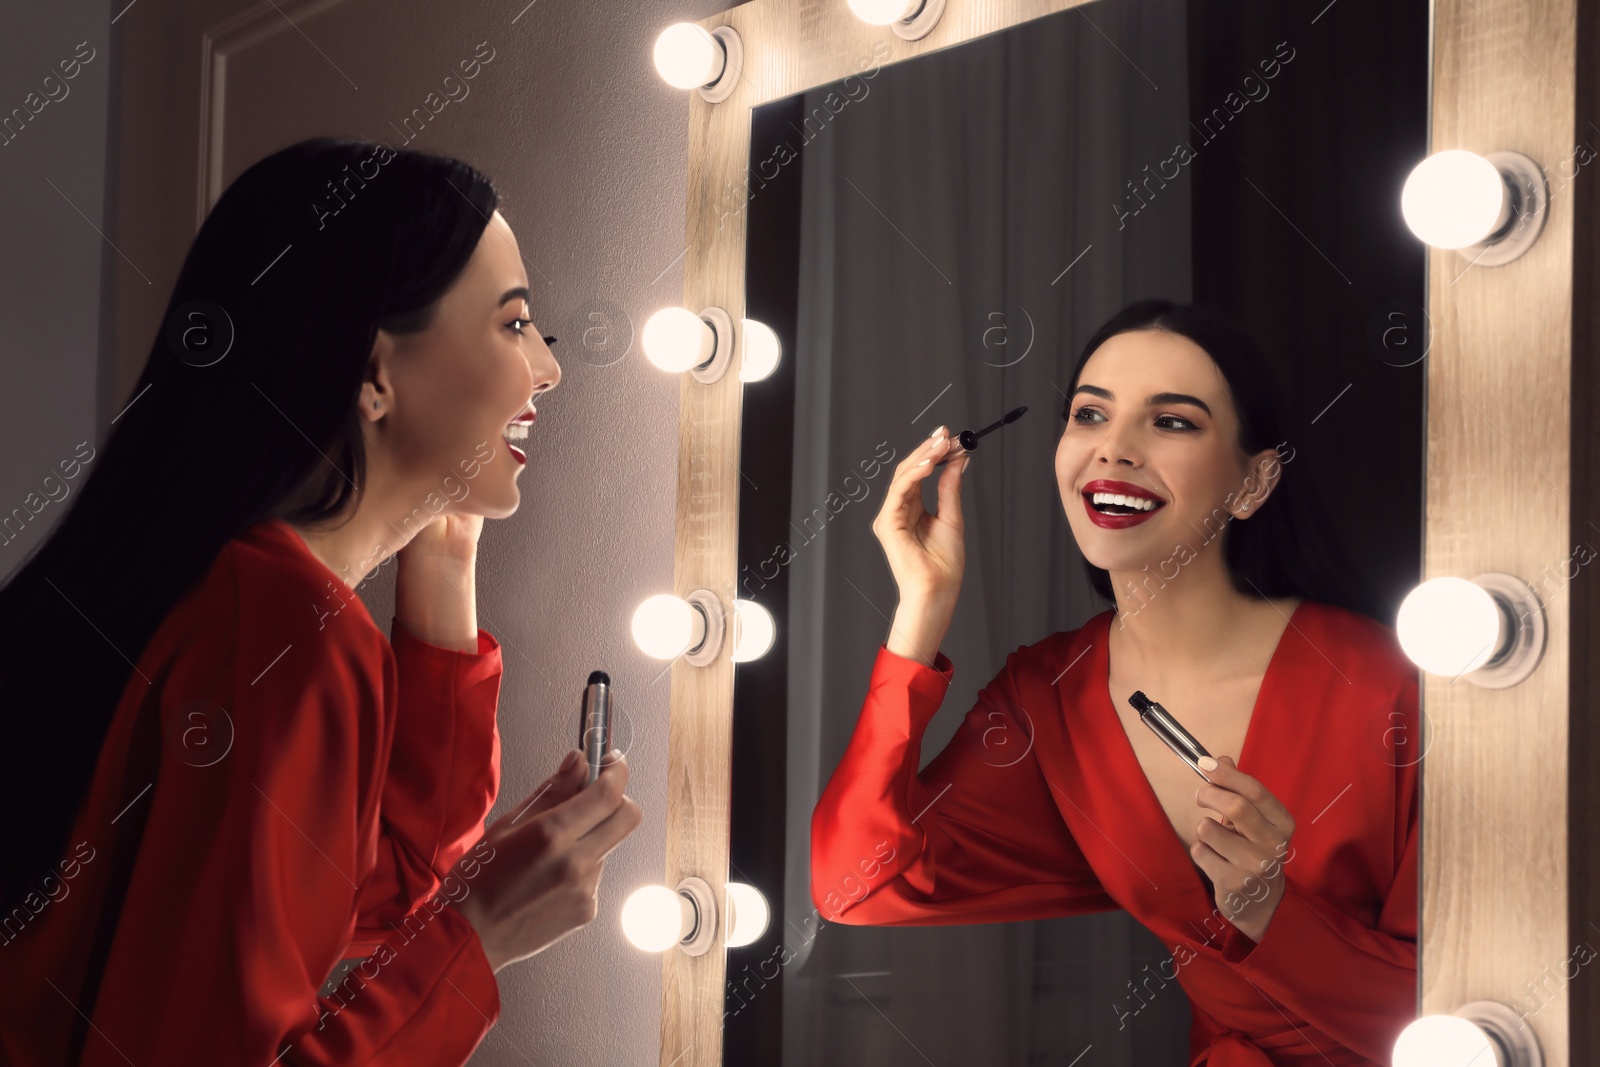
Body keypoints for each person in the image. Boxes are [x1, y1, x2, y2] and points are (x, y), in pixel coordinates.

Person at [0, 137, 643, 1065]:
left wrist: (445, 554)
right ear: (375, 374)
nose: (547, 368)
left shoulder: (240, 592)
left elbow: (364, 892)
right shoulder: (282, 636)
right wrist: (480, 935)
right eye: (511, 325)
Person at [810, 299, 1418, 1066]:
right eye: (1090, 414)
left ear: (1254, 481)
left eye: (1172, 422)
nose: (1114, 451)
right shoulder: (1049, 696)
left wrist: (1273, 912)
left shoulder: (1388, 683)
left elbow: (1480, 1004)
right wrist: (921, 610)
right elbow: (856, 885)